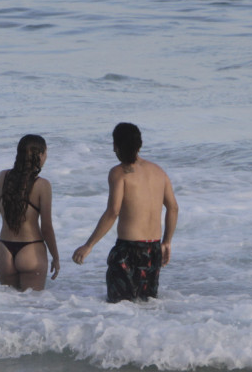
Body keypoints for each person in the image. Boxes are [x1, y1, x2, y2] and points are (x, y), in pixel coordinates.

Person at [72, 123, 178, 302]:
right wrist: (167, 241)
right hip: (153, 250)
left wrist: (89, 245)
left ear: (115, 146)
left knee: (119, 308)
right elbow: (173, 208)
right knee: (147, 305)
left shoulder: (119, 173)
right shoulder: (159, 172)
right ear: (140, 144)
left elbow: (113, 212)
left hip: (128, 251)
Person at [0, 134, 61, 291]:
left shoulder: (2, 177)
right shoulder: (42, 185)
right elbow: (46, 227)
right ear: (40, 155)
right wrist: (56, 257)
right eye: (45, 153)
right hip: (31, 250)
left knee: (11, 308)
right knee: (32, 308)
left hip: (4, 250)